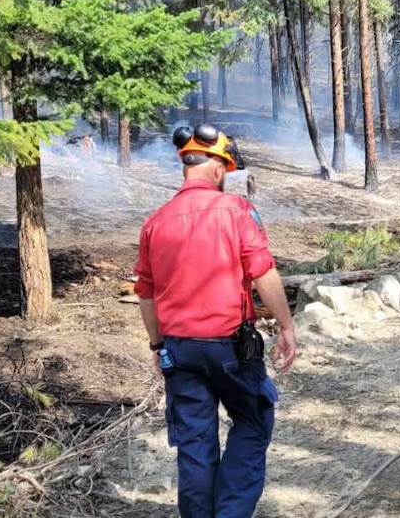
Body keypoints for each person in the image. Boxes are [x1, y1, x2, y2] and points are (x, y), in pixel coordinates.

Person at [134, 123, 297, 518]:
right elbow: (262, 270)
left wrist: (157, 345)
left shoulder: (155, 222)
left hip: (180, 351)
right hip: (230, 349)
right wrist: (287, 327)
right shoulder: (237, 210)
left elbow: (146, 292)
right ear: (221, 168)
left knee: (194, 444)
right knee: (253, 422)